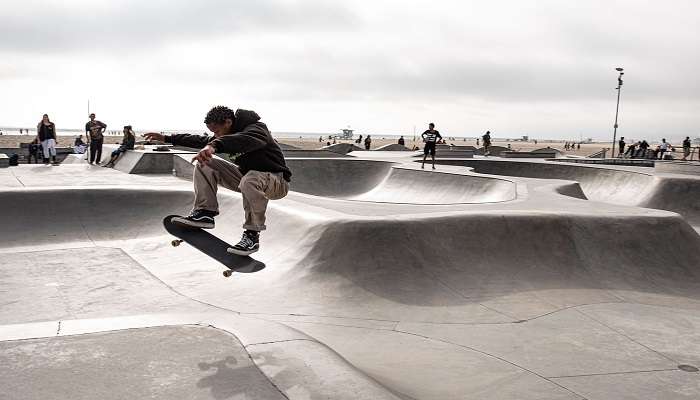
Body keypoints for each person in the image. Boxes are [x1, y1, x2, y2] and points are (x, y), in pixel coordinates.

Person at [144, 106, 291, 256]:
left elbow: (246, 140)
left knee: (250, 179)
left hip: (277, 182)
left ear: (228, 122)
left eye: (216, 131)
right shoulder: (224, 134)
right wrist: (168, 138)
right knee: (205, 163)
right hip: (247, 179)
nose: (215, 135)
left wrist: (214, 145)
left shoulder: (257, 129)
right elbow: (201, 140)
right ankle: (205, 212)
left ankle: (252, 236)